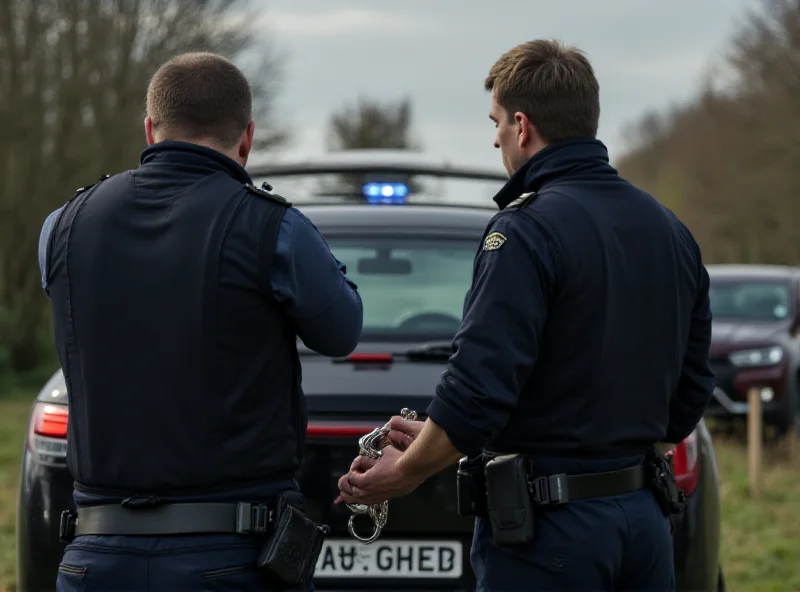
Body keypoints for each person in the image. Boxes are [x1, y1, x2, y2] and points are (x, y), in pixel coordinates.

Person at [336, 39, 714, 591]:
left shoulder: (525, 231)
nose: (494, 138)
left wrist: (408, 469)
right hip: (643, 521)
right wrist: (610, 455)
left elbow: (478, 389)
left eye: (495, 123)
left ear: (522, 124)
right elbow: (693, 384)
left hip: (550, 536)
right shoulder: (670, 230)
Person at [39, 52, 363, 591]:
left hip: (94, 558)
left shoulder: (62, 226)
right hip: (230, 558)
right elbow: (341, 330)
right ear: (248, 137)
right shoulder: (272, 229)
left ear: (150, 128)